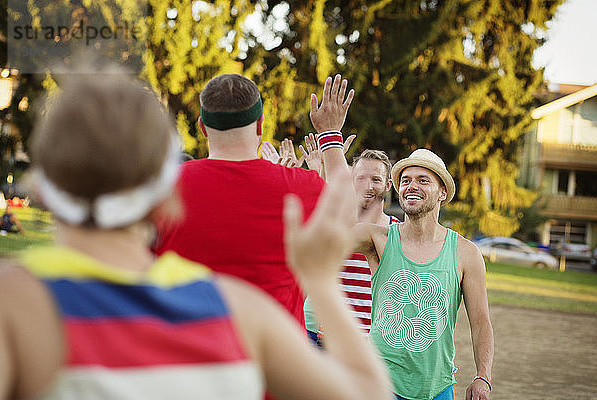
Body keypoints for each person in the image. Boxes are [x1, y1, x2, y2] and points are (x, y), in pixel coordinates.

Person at [0, 73, 393, 400]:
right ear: (160, 202)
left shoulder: (13, 303)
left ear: (43, 192)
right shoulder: (236, 310)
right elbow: (367, 392)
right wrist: (321, 282)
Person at [311, 75, 494, 400]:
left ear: (442, 193)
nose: (411, 185)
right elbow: (333, 229)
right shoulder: (377, 238)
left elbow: (480, 323)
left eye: (423, 180)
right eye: (406, 179)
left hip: (437, 388)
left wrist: (483, 376)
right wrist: (330, 140)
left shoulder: (465, 253)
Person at [154, 74, 328, 327]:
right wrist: (330, 135)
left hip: (186, 352)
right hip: (277, 358)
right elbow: (346, 215)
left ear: (202, 127)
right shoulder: (303, 186)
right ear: (260, 125)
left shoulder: (162, 188)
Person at [303, 148, 399, 343]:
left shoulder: (397, 231)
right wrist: (321, 171)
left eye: (376, 179)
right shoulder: (335, 221)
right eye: (361, 178)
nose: (368, 186)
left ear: (388, 184)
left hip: (370, 339)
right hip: (323, 337)